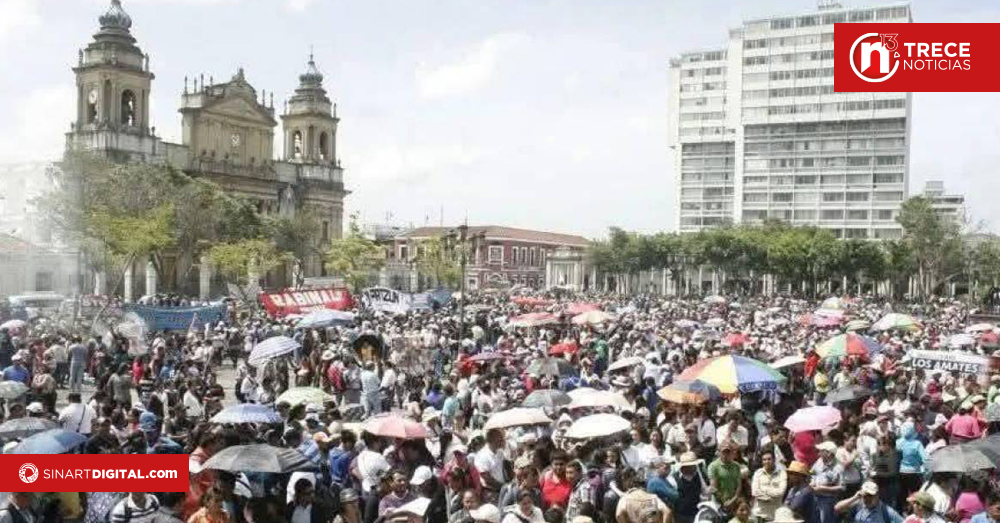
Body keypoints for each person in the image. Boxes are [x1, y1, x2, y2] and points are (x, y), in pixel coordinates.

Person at [833, 481, 903, 523]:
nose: (867, 499)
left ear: (877, 495)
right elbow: (837, 508)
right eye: (865, 495)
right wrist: (854, 498)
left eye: (870, 496)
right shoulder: (858, 505)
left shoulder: (886, 511)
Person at [811, 441, 844, 523]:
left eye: (821, 451)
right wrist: (812, 482)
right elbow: (812, 473)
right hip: (814, 498)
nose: (819, 453)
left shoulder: (838, 467)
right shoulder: (819, 461)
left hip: (828, 500)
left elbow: (842, 487)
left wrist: (823, 488)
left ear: (829, 453)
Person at [708, 440, 742, 516]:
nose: (725, 455)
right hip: (718, 504)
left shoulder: (736, 466)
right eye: (723, 452)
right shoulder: (713, 466)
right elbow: (713, 488)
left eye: (728, 452)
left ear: (732, 453)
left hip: (733, 503)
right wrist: (724, 502)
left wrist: (733, 500)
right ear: (719, 453)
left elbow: (739, 486)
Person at [752, 450, 787, 523]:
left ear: (774, 460)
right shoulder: (758, 473)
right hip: (759, 515)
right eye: (764, 460)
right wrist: (770, 496)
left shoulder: (782, 473)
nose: (767, 461)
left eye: (769, 459)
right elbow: (755, 492)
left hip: (775, 516)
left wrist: (764, 490)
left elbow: (780, 493)